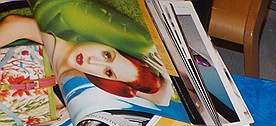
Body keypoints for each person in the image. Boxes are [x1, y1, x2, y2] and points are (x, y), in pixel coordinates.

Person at [0, 6, 172, 105]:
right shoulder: (59, 37)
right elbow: (15, 25)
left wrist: (166, 80)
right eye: (106, 55)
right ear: (107, 44)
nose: (92, 62)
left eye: (108, 72)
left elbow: (160, 100)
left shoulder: (87, 72)